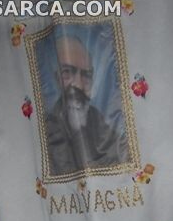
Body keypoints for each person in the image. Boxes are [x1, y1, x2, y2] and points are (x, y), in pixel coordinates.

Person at [45, 35, 128, 176]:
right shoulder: (46, 127)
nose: (78, 84)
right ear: (57, 77)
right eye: (67, 72)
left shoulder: (98, 119)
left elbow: (121, 163)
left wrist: (80, 130)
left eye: (86, 75)